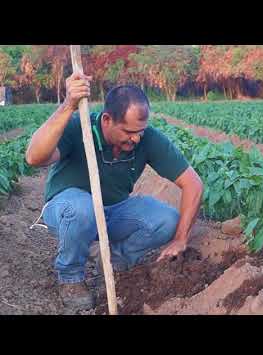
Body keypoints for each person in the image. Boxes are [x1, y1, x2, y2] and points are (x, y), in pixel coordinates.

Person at [25, 72, 204, 311]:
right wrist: (68, 105)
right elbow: (34, 158)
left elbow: (193, 183)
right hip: (68, 210)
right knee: (83, 209)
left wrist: (181, 238)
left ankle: (114, 260)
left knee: (166, 220)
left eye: (140, 131)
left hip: (114, 212)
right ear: (107, 119)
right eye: (129, 132)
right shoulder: (80, 128)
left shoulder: (147, 139)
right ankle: (70, 277)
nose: (136, 139)